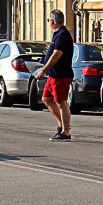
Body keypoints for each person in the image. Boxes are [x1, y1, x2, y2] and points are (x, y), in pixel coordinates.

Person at [35, 10, 74, 141]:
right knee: (46, 98)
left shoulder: (63, 35)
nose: (49, 23)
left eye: (49, 21)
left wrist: (43, 70)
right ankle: (61, 124)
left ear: (52, 21)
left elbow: (56, 55)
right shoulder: (58, 34)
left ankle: (65, 132)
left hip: (61, 75)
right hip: (54, 75)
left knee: (61, 102)